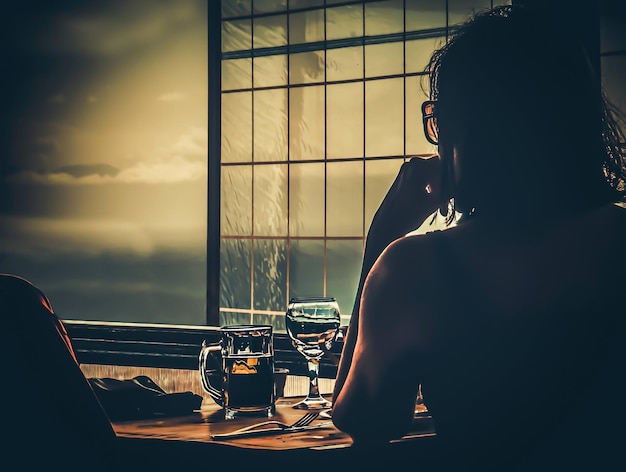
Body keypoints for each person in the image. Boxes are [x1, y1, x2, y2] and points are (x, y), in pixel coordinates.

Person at [331, 4, 626, 471]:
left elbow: (364, 418)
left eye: (440, 119)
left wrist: (383, 236)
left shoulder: (414, 269)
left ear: (463, 131)